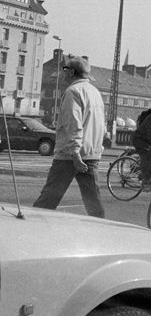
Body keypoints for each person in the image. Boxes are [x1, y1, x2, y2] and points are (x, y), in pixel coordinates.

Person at [33, 56, 106, 218]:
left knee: (48, 199)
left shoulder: (73, 92)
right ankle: (102, 234)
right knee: (94, 203)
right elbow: (101, 125)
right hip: (91, 154)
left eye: (65, 69)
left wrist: (75, 153)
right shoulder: (95, 92)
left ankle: (31, 232)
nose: (63, 73)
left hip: (70, 156)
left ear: (72, 71)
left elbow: (73, 124)